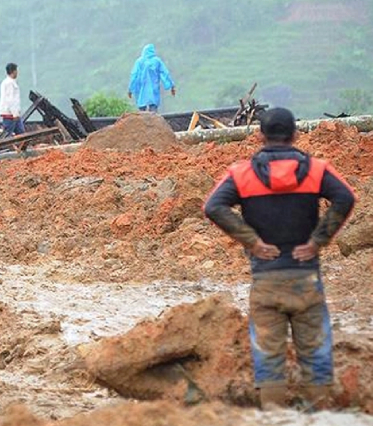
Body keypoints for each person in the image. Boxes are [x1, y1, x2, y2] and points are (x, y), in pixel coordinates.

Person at [204, 107, 355, 409]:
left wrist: (253, 242)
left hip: (266, 279)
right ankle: (319, 412)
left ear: (259, 135)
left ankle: (273, 413)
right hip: (306, 278)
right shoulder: (316, 170)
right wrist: (317, 241)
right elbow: (346, 197)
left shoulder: (242, 174)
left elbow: (213, 206)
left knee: (268, 355)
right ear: (295, 133)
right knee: (315, 351)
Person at [128, 44, 175, 112]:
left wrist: (130, 89)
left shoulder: (139, 62)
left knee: (142, 109)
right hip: (153, 89)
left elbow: (134, 76)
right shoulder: (157, 61)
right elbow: (165, 73)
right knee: (153, 109)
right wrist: (171, 85)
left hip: (141, 90)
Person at [0, 62, 24, 136]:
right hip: (10, 114)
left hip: (13, 114)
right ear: (14, 71)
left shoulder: (8, 82)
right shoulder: (9, 83)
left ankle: (22, 147)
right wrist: (15, 114)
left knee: (21, 133)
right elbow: (10, 100)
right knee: (8, 134)